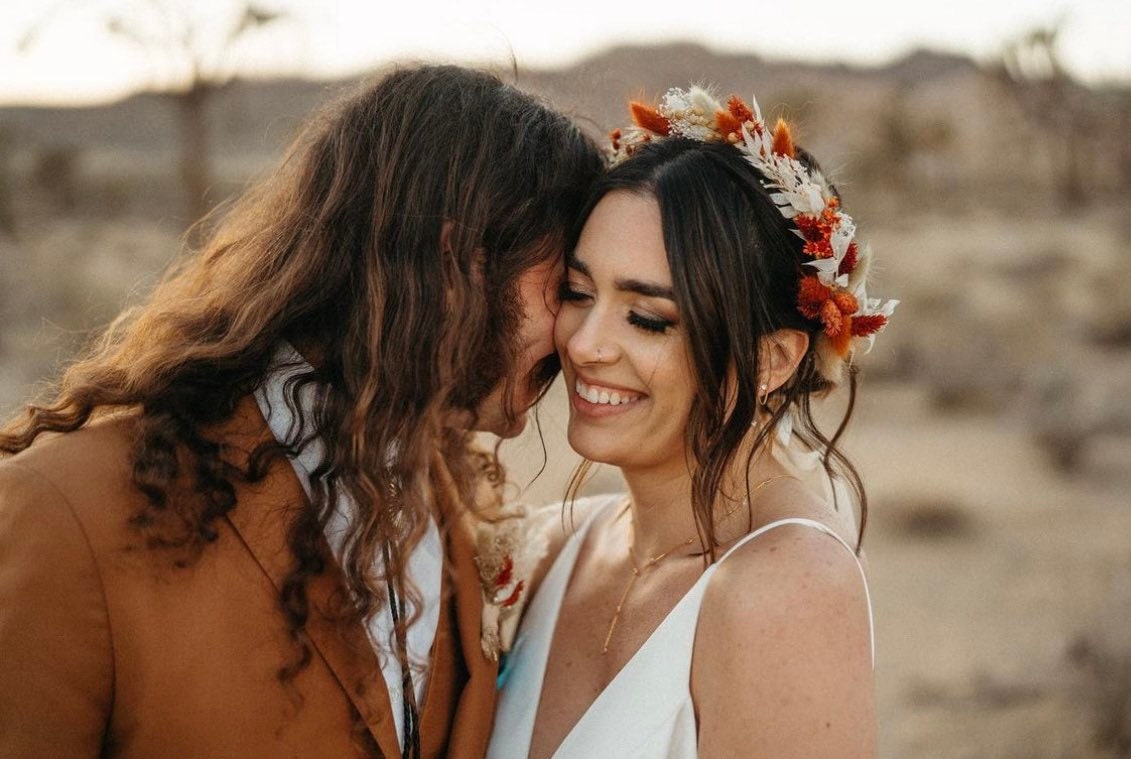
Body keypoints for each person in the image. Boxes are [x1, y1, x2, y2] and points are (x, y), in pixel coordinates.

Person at [0, 64, 602, 758]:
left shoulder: (457, 515)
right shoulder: (66, 510)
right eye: (566, 288)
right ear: (456, 265)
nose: (580, 338)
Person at [489, 86, 897, 758]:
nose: (586, 343)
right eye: (577, 292)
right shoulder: (560, 550)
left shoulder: (786, 587)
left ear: (771, 359)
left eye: (648, 318)